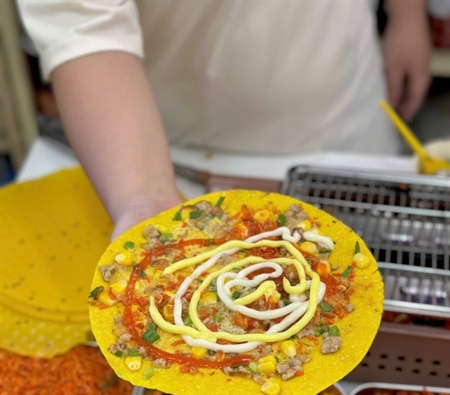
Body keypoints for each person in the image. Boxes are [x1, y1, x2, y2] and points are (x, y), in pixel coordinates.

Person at [17, 0, 431, 239]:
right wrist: (145, 197)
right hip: (169, 146)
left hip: (342, 113)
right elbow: (86, 28)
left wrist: (407, 14)